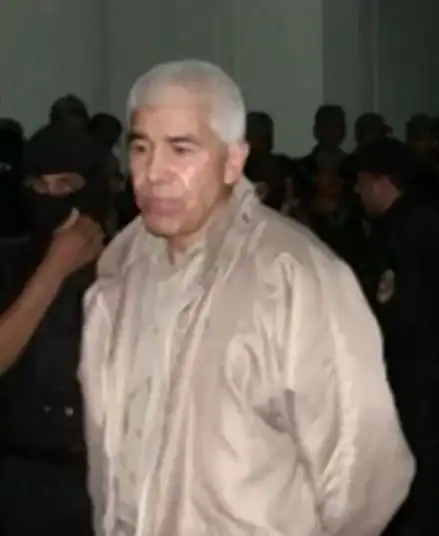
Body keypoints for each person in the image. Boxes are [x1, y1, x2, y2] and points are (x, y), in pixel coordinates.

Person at [79, 60, 414, 536]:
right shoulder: (118, 279)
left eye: (181, 149)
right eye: (140, 148)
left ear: (233, 161)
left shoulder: (295, 279)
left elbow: (365, 476)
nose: (154, 172)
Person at [0, 124, 107, 536]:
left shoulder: (131, 267)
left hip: (104, 480)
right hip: (17, 483)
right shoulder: (8, 264)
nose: (50, 198)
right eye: (39, 186)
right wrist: (54, 268)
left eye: (65, 185)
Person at [354, 137, 439, 536]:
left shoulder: (400, 231)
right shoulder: (429, 219)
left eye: (362, 181)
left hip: (410, 373)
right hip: (435, 366)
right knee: (425, 477)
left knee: (409, 480)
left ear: (383, 182)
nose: (357, 191)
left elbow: (398, 310)